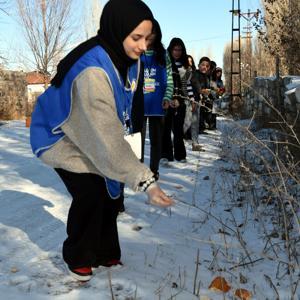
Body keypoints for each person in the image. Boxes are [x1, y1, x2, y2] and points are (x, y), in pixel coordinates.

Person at [30, 0, 173, 282]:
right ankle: (79, 256)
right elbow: (106, 140)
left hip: (87, 127)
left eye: (149, 39)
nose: (144, 46)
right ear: (116, 29)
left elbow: (122, 107)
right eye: (137, 38)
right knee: (92, 189)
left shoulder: (127, 58)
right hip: (58, 135)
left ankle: (106, 251)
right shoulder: (92, 72)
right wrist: (147, 182)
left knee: (112, 187)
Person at [140, 20, 173, 180]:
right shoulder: (136, 53)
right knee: (137, 139)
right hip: (139, 103)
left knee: (156, 140)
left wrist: (167, 97)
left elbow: (169, 80)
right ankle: (137, 171)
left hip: (158, 103)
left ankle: (154, 171)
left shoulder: (164, 55)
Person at [161, 38, 192, 163]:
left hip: (180, 101)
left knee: (178, 130)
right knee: (166, 129)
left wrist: (189, 99)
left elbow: (187, 85)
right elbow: (164, 82)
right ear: (170, 49)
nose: (177, 52)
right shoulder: (164, 63)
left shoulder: (186, 66)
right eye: (175, 49)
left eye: (180, 50)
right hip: (167, 99)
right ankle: (165, 155)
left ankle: (180, 155)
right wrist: (168, 98)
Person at [191, 56, 214, 133]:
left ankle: (200, 128)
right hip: (193, 99)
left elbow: (207, 89)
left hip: (201, 100)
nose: (205, 67)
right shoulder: (195, 74)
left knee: (201, 114)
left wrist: (210, 93)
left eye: (207, 66)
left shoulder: (207, 77)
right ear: (198, 65)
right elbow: (197, 86)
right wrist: (202, 91)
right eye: (203, 65)